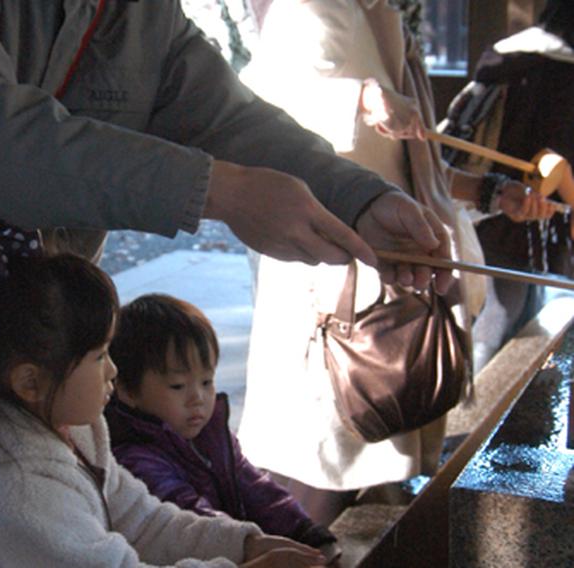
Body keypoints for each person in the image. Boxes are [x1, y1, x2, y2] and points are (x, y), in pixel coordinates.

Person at [0, 2, 458, 564]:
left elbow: (224, 117)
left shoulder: (140, 16)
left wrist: (359, 200)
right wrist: (216, 189)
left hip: (28, 345)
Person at [235, 0, 553, 525]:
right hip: (331, 284)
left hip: (395, 279)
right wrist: (359, 98)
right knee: (322, 463)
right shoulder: (306, 9)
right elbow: (264, 111)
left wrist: (496, 192)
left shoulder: (380, 16)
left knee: (368, 457)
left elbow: (413, 159)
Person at [0, 248, 328, 567]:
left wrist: (243, 545)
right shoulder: (15, 497)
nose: (114, 371)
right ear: (31, 381)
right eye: (100, 355)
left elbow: (143, 521)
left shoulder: (71, 429)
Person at [104, 294, 341, 565]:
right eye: (178, 386)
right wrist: (253, 548)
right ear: (126, 390)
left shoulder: (210, 435)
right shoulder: (135, 461)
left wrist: (305, 532)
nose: (198, 398)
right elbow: (190, 519)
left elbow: (255, 488)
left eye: (206, 382)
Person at [440, 0, 574, 367]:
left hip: (496, 211)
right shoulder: (526, 62)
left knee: (490, 333)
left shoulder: (509, 57)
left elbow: (457, 130)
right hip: (543, 221)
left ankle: (474, 414)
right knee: (532, 341)